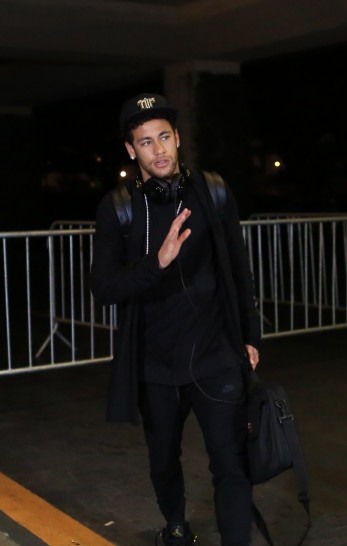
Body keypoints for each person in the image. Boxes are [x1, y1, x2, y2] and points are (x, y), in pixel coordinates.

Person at [91, 93, 261, 546]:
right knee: (164, 458)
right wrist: (158, 262)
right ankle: (176, 526)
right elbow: (104, 288)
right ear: (131, 150)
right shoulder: (119, 207)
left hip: (216, 355)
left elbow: (239, 269)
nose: (158, 149)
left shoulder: (213, 191)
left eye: (164, 136)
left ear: (178, 137)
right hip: (156, 364)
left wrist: (250, 337)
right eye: (145, 142)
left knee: (231, 462)